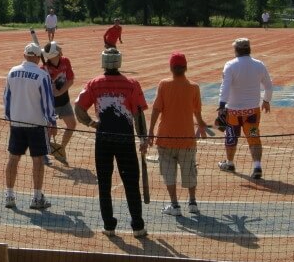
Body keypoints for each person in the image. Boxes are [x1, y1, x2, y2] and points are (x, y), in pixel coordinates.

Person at [74, 47, 148, 238]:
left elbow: (79, 108)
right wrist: (143, 138)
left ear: (103, 61)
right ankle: (138, 226)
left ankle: (109, 226)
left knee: (104, 184)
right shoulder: (132, 84)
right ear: (119, 62)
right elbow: (139, 115)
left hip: (103, 140)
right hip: (125, 140)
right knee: (131, 182)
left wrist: (91, 123)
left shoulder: (94, 84)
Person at [148, 51, 208, 216]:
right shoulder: (194, 87)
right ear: (186, 67)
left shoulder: (164, 84)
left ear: (171, 68)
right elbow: (197, 112)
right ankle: (192, 202)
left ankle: (174, 205)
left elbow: (156, 110)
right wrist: (201, 124)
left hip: (165, 138)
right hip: (187, 139)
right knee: (189, 171)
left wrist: (150, 131)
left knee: (168, 173)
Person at [3, 43, 57, 210]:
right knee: (38, 161)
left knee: (13, 159)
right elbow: (48, 102)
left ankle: (10, 196)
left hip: (17, 123)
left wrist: (10, 117)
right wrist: (52, 121)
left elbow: (6, 98)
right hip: (36, 125)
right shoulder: (42, 75)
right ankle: (36, 198)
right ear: (37, 56)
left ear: (25, 55)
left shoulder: (12, 72)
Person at [216, 38, 273, 180]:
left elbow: (225, 87)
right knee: (254, 137)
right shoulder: (259, 65)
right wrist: (266, 101)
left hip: (233, 112)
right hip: (252, 113)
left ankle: (229, 163)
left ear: (236, 50)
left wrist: (222, 106)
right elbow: (269, 86)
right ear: (249, 49)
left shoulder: (230, 65)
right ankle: (257, 166)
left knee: (230, 137)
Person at [41, 41, 76, 165]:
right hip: (51, 104)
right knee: (50, 130)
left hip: (64, 101)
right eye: (58, 49)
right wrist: (51, 90)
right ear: (54, 54)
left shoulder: (65, 61)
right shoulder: (43, 69)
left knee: (72, 124)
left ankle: (60, 149)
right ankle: (44, 153)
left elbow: (71, 80)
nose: (61, 49)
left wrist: (59, 92)